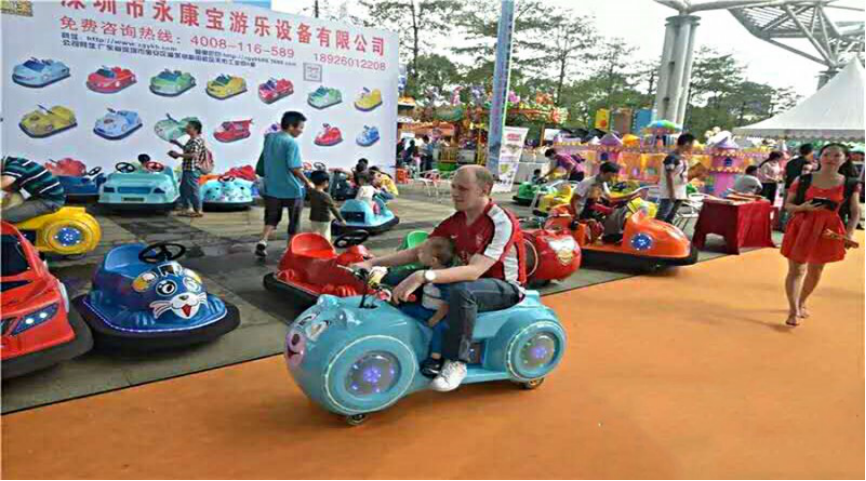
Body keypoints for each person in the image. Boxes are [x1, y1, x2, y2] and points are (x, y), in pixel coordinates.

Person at [355, 165, 527, 393]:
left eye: (463, 188)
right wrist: (372, 264)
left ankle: (456, 361)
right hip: (466, 280)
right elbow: (419, 251)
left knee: (460, 290)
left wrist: (424, 275)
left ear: (485, 190)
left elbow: (475, 271)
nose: (454, 193)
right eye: (453, 187)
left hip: (504, 286)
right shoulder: (456, 220)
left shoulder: (500, 221)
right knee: (400, 276)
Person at [781, 144, 861, 327]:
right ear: (819, 157)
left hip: (828, 231)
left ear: (845, 159)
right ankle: (793, 310)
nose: (830, 158)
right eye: (826, 154)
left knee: (816, 270)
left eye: (836, 155)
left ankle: (802, 301)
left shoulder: (851, 183)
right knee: (796, 270)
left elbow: (855, 211)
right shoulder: (803, 179)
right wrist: (802, 207)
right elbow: (788, 205)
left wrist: (849, 234)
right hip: (801, 227)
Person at [255, 111, 315, 258]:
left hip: (272, 187)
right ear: (290, 126)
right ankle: (289, 249)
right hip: (292, 189)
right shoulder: (291, 143)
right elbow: (294, 167)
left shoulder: (269, 137)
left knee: (271, 217)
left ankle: (263, 240)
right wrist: (308, 182)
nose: (301, 131)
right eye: (300, 127)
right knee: (294, 220)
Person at [398, 237, 457, 379]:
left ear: (433, 260)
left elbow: (448, 302)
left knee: (441, 329)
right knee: (404, 310)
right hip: (425, 308)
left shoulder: (443, 279)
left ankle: (435, 359)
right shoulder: (428, 271)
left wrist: (436, 318)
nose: (418, 254)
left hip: (439, 314)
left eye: (422, 253)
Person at [571, 162, 643, 243]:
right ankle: (609, 234)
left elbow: (609, 197)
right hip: (583, 210)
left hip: (593, 208)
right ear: (602, 172)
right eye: (610, 176)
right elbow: (573, 199)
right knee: (617, 210)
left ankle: (613, 233)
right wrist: (575, 215)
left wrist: (630, 197)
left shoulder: (603, 182)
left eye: (613, 176)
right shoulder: (588, 183)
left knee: (622, 207)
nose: (611, 178)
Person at [1, 157, 66, 224]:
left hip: (50, 201)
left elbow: (5, 181)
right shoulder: (15, 165)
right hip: (38, 198)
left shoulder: (15, 165)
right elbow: (11, 188)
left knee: (4, 216)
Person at [168, 120, 206, 218]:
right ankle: (187, 209)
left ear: (196, 130)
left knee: (193, 190)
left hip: (192, 169)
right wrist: (177, 143)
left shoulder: (196, 140)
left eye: (189, 127)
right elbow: (187, 149)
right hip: (187, 168)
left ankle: (198, 210)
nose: (186, 129)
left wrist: (178, 155)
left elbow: (194, 155)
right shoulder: (192, 140)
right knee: (183, 189)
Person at [657, 133, 697, 224]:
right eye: (692, 144)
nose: (693, 147)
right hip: (669, 193)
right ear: (687, 144)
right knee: (662, 217)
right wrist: (672, 193)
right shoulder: (671, 158)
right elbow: (669, 175)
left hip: (680, 192)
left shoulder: (682, 157)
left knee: (670, 219)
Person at [307, 171, 345, 243]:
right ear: (324, 182)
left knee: (314, 235)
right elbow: (333, 208)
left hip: (313, 218)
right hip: (324, 219)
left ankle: (314, 247)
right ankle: (325, 247)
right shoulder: (326, 196)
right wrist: (341, 220)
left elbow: (309, 185)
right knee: (325, 236)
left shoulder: (311, 192)